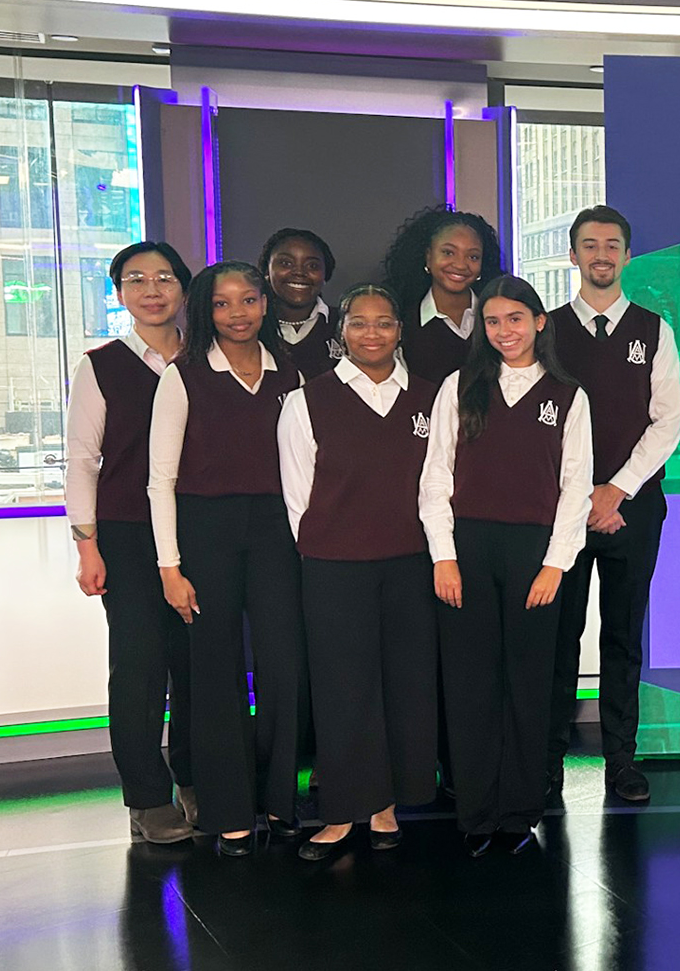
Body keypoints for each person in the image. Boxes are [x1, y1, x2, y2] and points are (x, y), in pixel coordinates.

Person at [419, 275, 592, 856]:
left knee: (527, 682)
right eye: (492, 321)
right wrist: (444, 557)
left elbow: (576, 489)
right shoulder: (460, 386)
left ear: (539, 322)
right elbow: (435, 477)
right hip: (466, 549)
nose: (504, 331)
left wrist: (555, 565)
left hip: (535, 555)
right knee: (470, 684)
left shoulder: (568, 396)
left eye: (515, 318)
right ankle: (477, 809)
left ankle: (520, 808)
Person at [148, 261, 305, 857]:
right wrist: (170, 566)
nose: (237, 313)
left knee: (282, 668)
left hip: (275, 532)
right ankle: (228, 812)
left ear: (265, 305)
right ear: (203, 309)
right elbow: (159, 479)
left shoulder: (288, 374)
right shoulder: (182, 375)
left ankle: (279, 802)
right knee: (213, 674)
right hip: (205, 534)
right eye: (222, 304)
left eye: (248, 300)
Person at [279, 285, 440, 860]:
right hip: (334, 567)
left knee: (405, 685)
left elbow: (437, 487)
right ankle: (342, 812)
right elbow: (297, 495)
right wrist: (328, 546)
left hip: (409, 564)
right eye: (359, 323)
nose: (372, 333)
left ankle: (387, 806)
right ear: (342, 331)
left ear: (400, 330)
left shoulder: (430, 398)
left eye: (385, 323)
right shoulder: (308, 400)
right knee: (344, 690)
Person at [547, 206, 680, 805]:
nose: (601, 254)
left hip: (632, 508)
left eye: (613, 245)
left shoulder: (654, 329)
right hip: (562, 514)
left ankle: (621, 760)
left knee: (623, 636)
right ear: (572, 255)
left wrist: (615, 490)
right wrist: (581, 498)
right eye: (589, 244)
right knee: (558, 634)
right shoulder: (545, 329)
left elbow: (668, 422)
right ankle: (546, 761)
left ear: (627, 256)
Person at [66, 242, 195, 845]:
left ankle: (197, 776)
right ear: (120, 293)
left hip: (199, 528)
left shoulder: (208, 357)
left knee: (200, 663)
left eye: (164, 277)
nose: (152, 289)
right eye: (136, 279)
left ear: (183, 289)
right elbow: (82, 460)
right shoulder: (103, 364)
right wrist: (86, 543)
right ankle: (146, 794)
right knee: (142, 664)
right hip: (125, 531)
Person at [385, 207, 504, 386]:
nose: (460, 265)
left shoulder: (499, 320)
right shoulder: (402, 323)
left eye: (473, 256)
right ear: (428, 257)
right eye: (448, 252)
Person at [261, 228, 341, 380]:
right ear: (267, 271)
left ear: (325, 275)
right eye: (286, 263)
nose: (299, 272)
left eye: (312, 266)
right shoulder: (248, 327)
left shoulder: (345, 324)